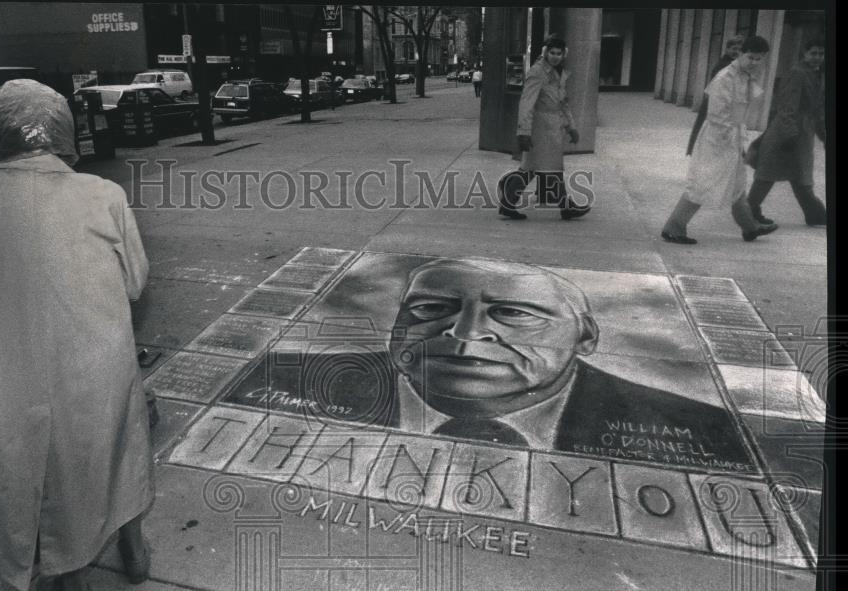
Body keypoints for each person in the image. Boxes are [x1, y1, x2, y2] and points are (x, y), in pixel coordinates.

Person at [0, 80, 153, 591]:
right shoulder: (103, 195)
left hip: (1, 370)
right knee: (101, 461)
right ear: (65, 133)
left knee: (12, 470)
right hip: (91, 367)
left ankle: (37, 566)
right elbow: (134, 282)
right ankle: (116, 549)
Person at [225, 259, 750, 467]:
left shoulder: (704, 430)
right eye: (431, 309)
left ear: (586, 336)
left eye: (514, 314)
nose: (465, 333)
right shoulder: (276, 379)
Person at [661, 35, 777, 244]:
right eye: (751, 57)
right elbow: (717, 115)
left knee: (737, 185)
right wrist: (729, 142)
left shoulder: (745, 77)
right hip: (717, 139)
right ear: (741, 54)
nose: (754, 63)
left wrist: (738, 142)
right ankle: (673, 227)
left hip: (732, 138)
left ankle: (750, 228)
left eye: (759, 59)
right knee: (702, 183)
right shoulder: (725, 78)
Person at [499, 36, 588, 221]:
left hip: (552, 128)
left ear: (564, 54)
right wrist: (523, 131)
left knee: (535, 168)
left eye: (559, 53)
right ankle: (565, 207)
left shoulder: (557, 73)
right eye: (552, 52)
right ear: (545, 52)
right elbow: (527, 103)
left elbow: (563, 103)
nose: (555, 56)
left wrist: (572, 127)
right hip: (539, 129)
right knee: (543, 168)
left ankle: (508, 203)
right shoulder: (538, 72)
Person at [746, 39, 826, 227]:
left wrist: (824, 135)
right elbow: (787, 107)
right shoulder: (797, 73)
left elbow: (819, 110)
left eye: (821, 54)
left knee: (801, 176)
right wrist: (789, 135)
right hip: (786, 132)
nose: (817, 58)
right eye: (813, 53)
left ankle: (816, 215)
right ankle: (749, 211)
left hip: (802, 132)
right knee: (768, 175)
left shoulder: (817, 75)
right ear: (804, 53)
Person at [686, 35, 745, 156]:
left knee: (706, 126)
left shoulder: (733, 64)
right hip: (716, 100)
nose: (736, 51)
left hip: (718, 100)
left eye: (739, 49)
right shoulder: (724, 65)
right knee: (710, 127)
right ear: (727, 49)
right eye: (734, 48)